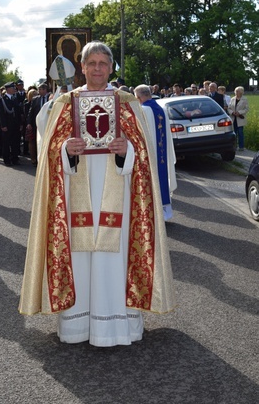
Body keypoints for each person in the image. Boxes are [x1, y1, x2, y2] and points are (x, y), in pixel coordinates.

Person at [19, 41, 175, 347]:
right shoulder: (66, 103)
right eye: (92, 63)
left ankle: (117, 327)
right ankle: (78, 326)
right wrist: (66, 149)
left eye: (104, 63)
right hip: (77, 191)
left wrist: (125, 149)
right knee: (80, 255)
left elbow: (143, 154)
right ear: (82, 67)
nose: (98, 69)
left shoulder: (127, 103)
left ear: (112, 67)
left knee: (115, 255)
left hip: (119, 190)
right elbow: (49, 150)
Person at [134, 84, 177, 221]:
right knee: (161, 178)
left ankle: (154, 214)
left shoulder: (143, 110)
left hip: (150, 154)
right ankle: (166, 213)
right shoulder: (161, 108)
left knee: (151, 180)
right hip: (162, 154)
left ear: (139, 97)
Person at [0, 82, 22, 166]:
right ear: (8, 89)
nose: (14, 89)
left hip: (15, 124)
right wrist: (3, 125)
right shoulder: (3, 99)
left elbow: (18, 112)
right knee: (6, 143)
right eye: (13, 88)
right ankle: (7, 160)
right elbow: (1, 113)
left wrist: (20, 123)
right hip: (7, 125)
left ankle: (15, 159)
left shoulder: (15, 98)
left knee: (15, 142)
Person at [26, 82, 50, 166]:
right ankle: (37, 159)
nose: (38, 91)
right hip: (37, 124)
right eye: (38, 89)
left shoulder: (51, 98)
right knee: (38, 141)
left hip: (48, 123)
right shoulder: (35, 99)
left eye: (40, 89)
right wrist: (29, 123)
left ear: (45, 90)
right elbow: (31, 112)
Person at [227, 86, 249, 151]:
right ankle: (234, 146)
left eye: (238, 91)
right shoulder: (232, 99)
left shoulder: (245, 99)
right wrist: (232, 113)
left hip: (240, 118)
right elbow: (229, 108)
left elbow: (246, 109)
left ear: (241, 92)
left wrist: (239, 112)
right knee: (234, 133)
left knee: (240, 133)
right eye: (235, 91)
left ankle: (241, 147)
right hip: (233, 118)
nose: (236, 92)